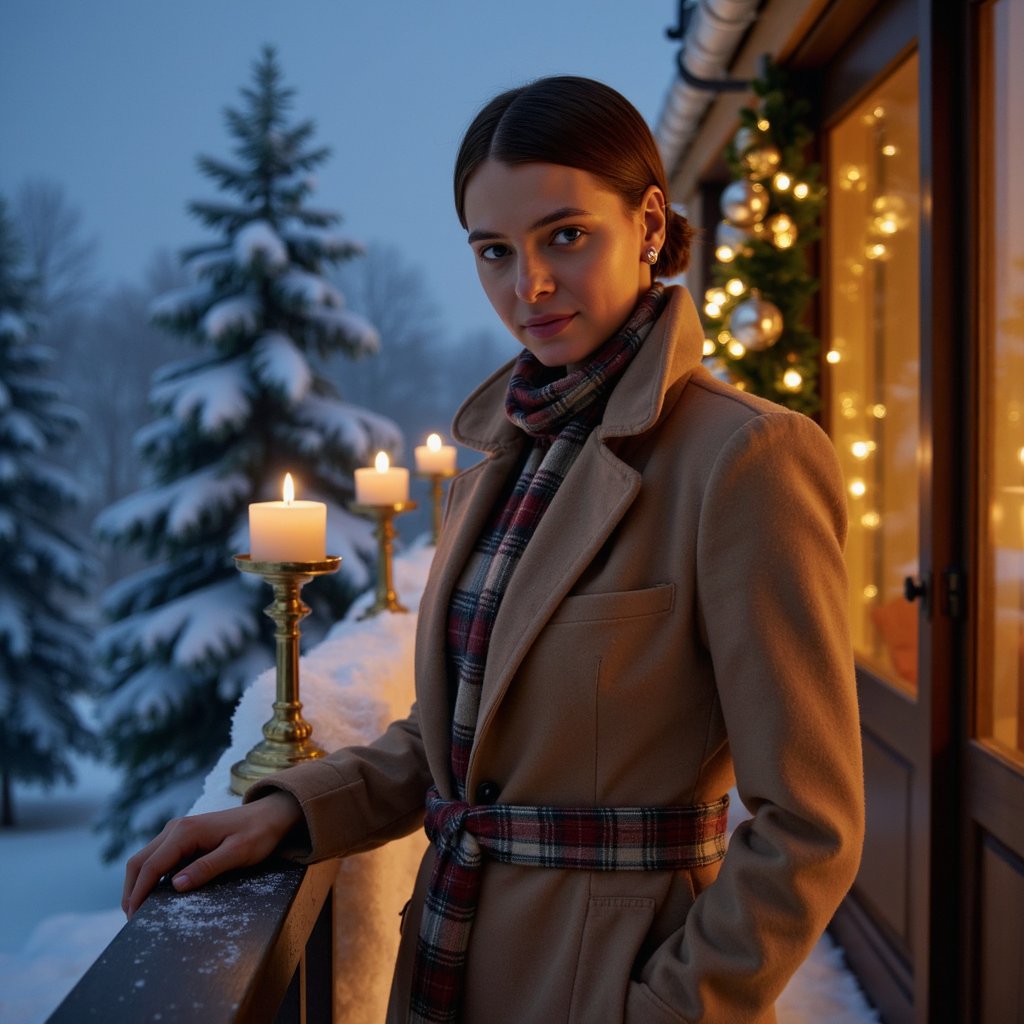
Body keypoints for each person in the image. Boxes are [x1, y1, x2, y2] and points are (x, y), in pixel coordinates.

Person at [123, 76, 864, 1023]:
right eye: (494, 252)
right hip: (447, 957)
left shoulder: (745, 458)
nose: (530, 286)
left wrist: (674, 1008)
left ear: (646, 223)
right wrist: (291, 811)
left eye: (566, 235)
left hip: (611, 983)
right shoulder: (504, 461)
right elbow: (464, 744)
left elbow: (812, 824)